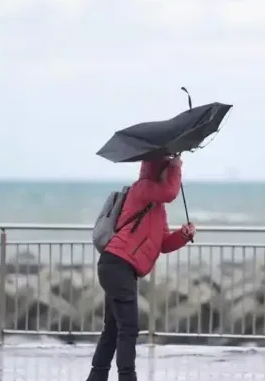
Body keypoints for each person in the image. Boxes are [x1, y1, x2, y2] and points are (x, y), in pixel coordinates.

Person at [86, 155, 195, 381]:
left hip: (119, 267)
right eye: (166, 170)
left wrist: (183, 235)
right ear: (158, 169)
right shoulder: (142, 189)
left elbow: (162, 243)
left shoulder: (157, 207)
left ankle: (96, 377)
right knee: (129, 328)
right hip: (117, 264)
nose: (169, 175)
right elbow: (171, 192)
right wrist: (176, 167)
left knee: (113, 329)